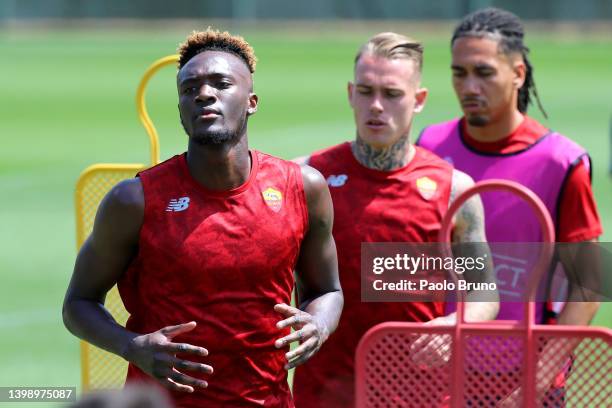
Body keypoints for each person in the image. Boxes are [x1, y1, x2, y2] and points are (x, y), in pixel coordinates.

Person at [63, 29, 344, 408]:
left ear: (252, 102)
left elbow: (328, 290)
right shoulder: (134, 200)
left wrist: (319, 324)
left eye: (221, 83)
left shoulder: (303, 188)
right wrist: (132, 346)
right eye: (189, 88)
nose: (204, 94)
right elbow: (78, 303)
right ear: (181, 108)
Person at [292, 32, 499, 408]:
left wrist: (454, 327)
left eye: (391, 94)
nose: (376, 106)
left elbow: (483, 291)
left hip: (419, 395)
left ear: (418, 100)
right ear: (350, 93)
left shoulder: (453, 190)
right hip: (322, 394)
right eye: (366, 91)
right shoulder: (306, 177)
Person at [416, 7, 602, 405]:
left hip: (526, 381)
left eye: (483, 72)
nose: (468, 86)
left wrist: (531, 387)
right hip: (440, 375)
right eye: (458, 72)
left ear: (517, 74)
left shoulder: (561, 161)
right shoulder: (430, 145)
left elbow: (588, 288)